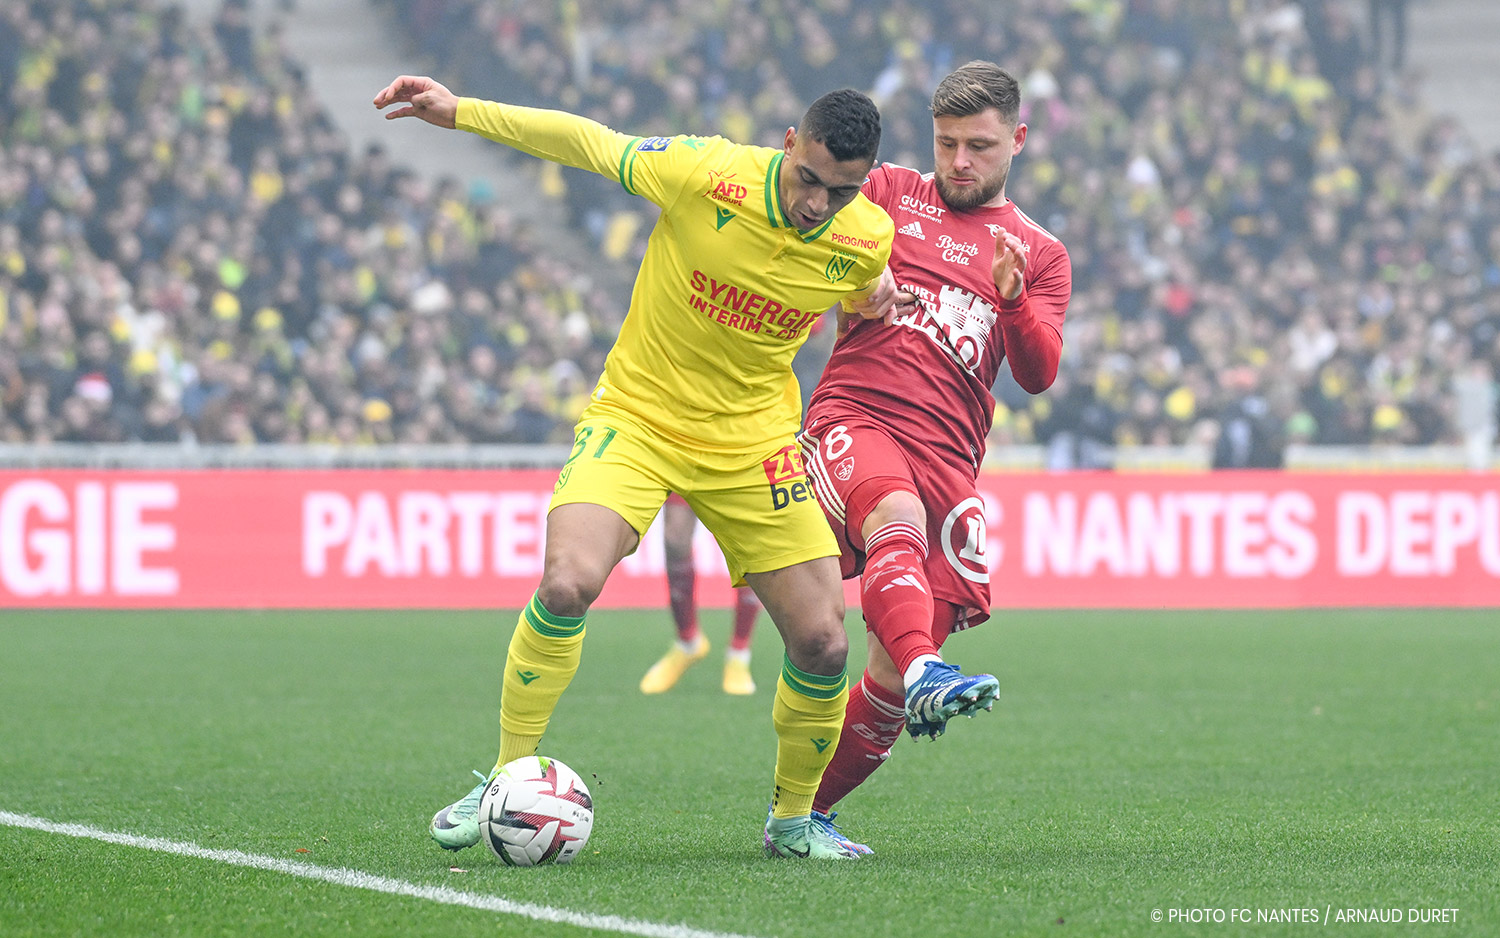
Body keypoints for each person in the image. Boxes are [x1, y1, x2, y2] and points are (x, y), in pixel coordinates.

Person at [373, 74, 896, 860]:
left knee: (824, 641)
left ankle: (792, 824)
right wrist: (463, 113)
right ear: (787, 144)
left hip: (754, 443)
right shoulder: (704, 170)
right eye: (809, 179)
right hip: (640, 418)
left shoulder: (866, 237)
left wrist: (877, 292)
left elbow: (867, 290)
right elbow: (586, 141)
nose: (819, 204)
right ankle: (507, 775)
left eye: (841, 192)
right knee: (566, 582)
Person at [796, 61, 1072, 853]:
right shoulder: (884, 191)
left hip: (950, 458)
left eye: (979, 146)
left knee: (885, 680)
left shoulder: (1040, 251)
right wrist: (860, 276)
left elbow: (1038, 372)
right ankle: (929, 674)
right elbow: (816, 237)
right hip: (857, 416)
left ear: (1017, 140)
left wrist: (1014, 301)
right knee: (895, 511)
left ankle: (801, 815)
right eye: (947, 143)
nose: (958, 162)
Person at [640, 494, 762, 696]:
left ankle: (739, 654)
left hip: (737, 464)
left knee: (746, 538)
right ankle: (688, 642)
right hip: (687, 462)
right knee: (674, 538)